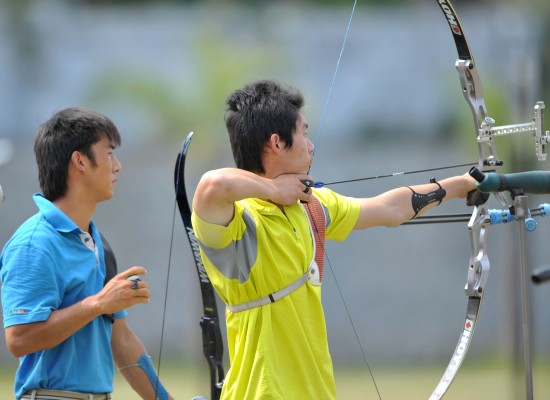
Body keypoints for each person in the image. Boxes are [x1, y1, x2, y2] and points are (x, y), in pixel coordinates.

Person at [191, 80, 479, 399]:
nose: (311, 145)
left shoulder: (313, 205)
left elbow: (388, 208)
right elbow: (212, 184)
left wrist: (461, 185)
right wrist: (274, 190)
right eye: (303, 133)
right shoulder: (239, 223)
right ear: (276, 142)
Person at [0, 108, 173, 400]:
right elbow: (19, 339)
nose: (117, 166)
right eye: (108, 154)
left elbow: (123, 341)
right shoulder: (34, 244)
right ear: (79, 161)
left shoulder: (98, 245)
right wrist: (97, 303)